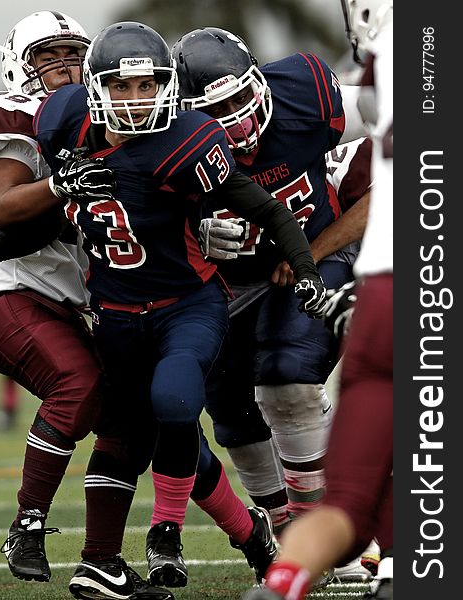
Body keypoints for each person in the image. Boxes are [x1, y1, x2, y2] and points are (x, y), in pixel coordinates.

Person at [0, 20, 328, 597]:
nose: (134, 100)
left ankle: (166, 542)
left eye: (146, 87)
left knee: (161, 419)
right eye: (120, 87)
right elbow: (24, 220)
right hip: (76, 305)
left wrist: (237, 237)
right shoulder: (54, 124)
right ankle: (52, 533)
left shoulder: (184, 137)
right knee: (109, 407)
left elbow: (257, 206)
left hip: (145, 303)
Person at [0, 13, 174, 599]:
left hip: (77, 304)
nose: (64, 64)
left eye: (73, 52)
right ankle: (27, 524)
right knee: (80, 384)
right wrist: (65, 183)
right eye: (49, 54)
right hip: (9, 290)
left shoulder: (110, 117)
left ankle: (102, 565)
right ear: (20, 62)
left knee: (130, 421)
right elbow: (11, 209)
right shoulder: (8, 115)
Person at [171, 26, 369, 540]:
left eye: (240, 97)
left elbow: (411, 145)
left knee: (287, 376)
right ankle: (282, 534)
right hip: (227, 284)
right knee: (231, 412)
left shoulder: (306, 99)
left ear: (260, 81)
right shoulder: (168, 142)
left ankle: (321, 528)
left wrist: (316, 250)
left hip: (310, 259)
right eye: (216, 111)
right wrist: (190, 232)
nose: (235, 120)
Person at [241, 1, 393, 598]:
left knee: (347, 501)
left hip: (378, 291)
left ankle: (280, 583)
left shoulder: (332, 91)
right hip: (410, 285)